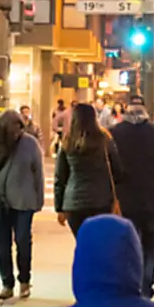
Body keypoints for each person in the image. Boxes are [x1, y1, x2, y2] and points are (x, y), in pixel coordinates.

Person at [0, 109, 45, 299]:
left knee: (23, 241)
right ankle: (7, 283)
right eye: (13, 128)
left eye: (19, 128)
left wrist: (38, 200)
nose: (16, 132)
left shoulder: (30, 144)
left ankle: (24, 280)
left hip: (23, 201)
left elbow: (38, 172)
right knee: (2, 245)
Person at [110, 97, 154, 298]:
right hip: (152, 199)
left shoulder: (114, 135)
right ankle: (146, 286)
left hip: (124, 199)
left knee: (127, 244)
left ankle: (129, 284)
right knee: (150, 244)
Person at [56, 102, 125, 238]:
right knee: (99, 243)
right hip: (101, 202)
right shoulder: (104, 139)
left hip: (74, 203)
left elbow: (60, 177)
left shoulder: (67, 141)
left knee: (82, 243)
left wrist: (59, 208)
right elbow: (117, 170)